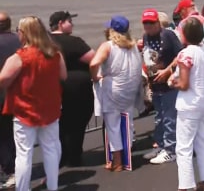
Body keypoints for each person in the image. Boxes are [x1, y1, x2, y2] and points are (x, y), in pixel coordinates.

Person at [0, 17, 66, 191]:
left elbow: (3, 80)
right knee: (51, 150)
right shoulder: (54, 53)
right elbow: (63, 76)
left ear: (25, 33)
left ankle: (23, 188)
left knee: (24, 154)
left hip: (25, 111)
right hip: (50, 109)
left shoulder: (20, 57)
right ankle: (53, 186)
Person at [90, 16, 144, 173]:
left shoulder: (108, 46)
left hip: (113, 90)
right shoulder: (133, 46)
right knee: (127, 122)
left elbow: (94, 63)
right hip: (129, 89)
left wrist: (95, 77)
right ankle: (127, 155)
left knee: (112, 125)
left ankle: (118, 161)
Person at [168, 17, 204, 191]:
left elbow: (184, 84)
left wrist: (172, 83)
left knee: (184, 147)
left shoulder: (185, 54)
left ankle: (186, 186)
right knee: (202, 142)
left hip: (189, 105)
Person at [49, 10, 96, 167]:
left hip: (52, 88)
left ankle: (61, 155)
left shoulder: (45, 41)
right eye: (69, 21)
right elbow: (93, 58)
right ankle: (74, 155)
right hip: (76, 89)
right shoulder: (73, 41)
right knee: (77, 122)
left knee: (59, 124)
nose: (72, 24)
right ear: (61, 23)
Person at [141, 8, 183, 165]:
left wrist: (168, 70)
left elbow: (180, 55)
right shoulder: (145, 37)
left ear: (158, 23)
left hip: (169, 85)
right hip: (155, 85)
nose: (148, 26)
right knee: (159, 118)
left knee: (169, 118)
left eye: (151, 23)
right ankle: (161, 145)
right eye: (146, 23)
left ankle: (171, 150)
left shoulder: (168, 35)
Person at [0, 12, 19, 188]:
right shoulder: (18, 40)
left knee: (4, 137)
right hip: (19, 96)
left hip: (2, 96)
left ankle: (10, 170)